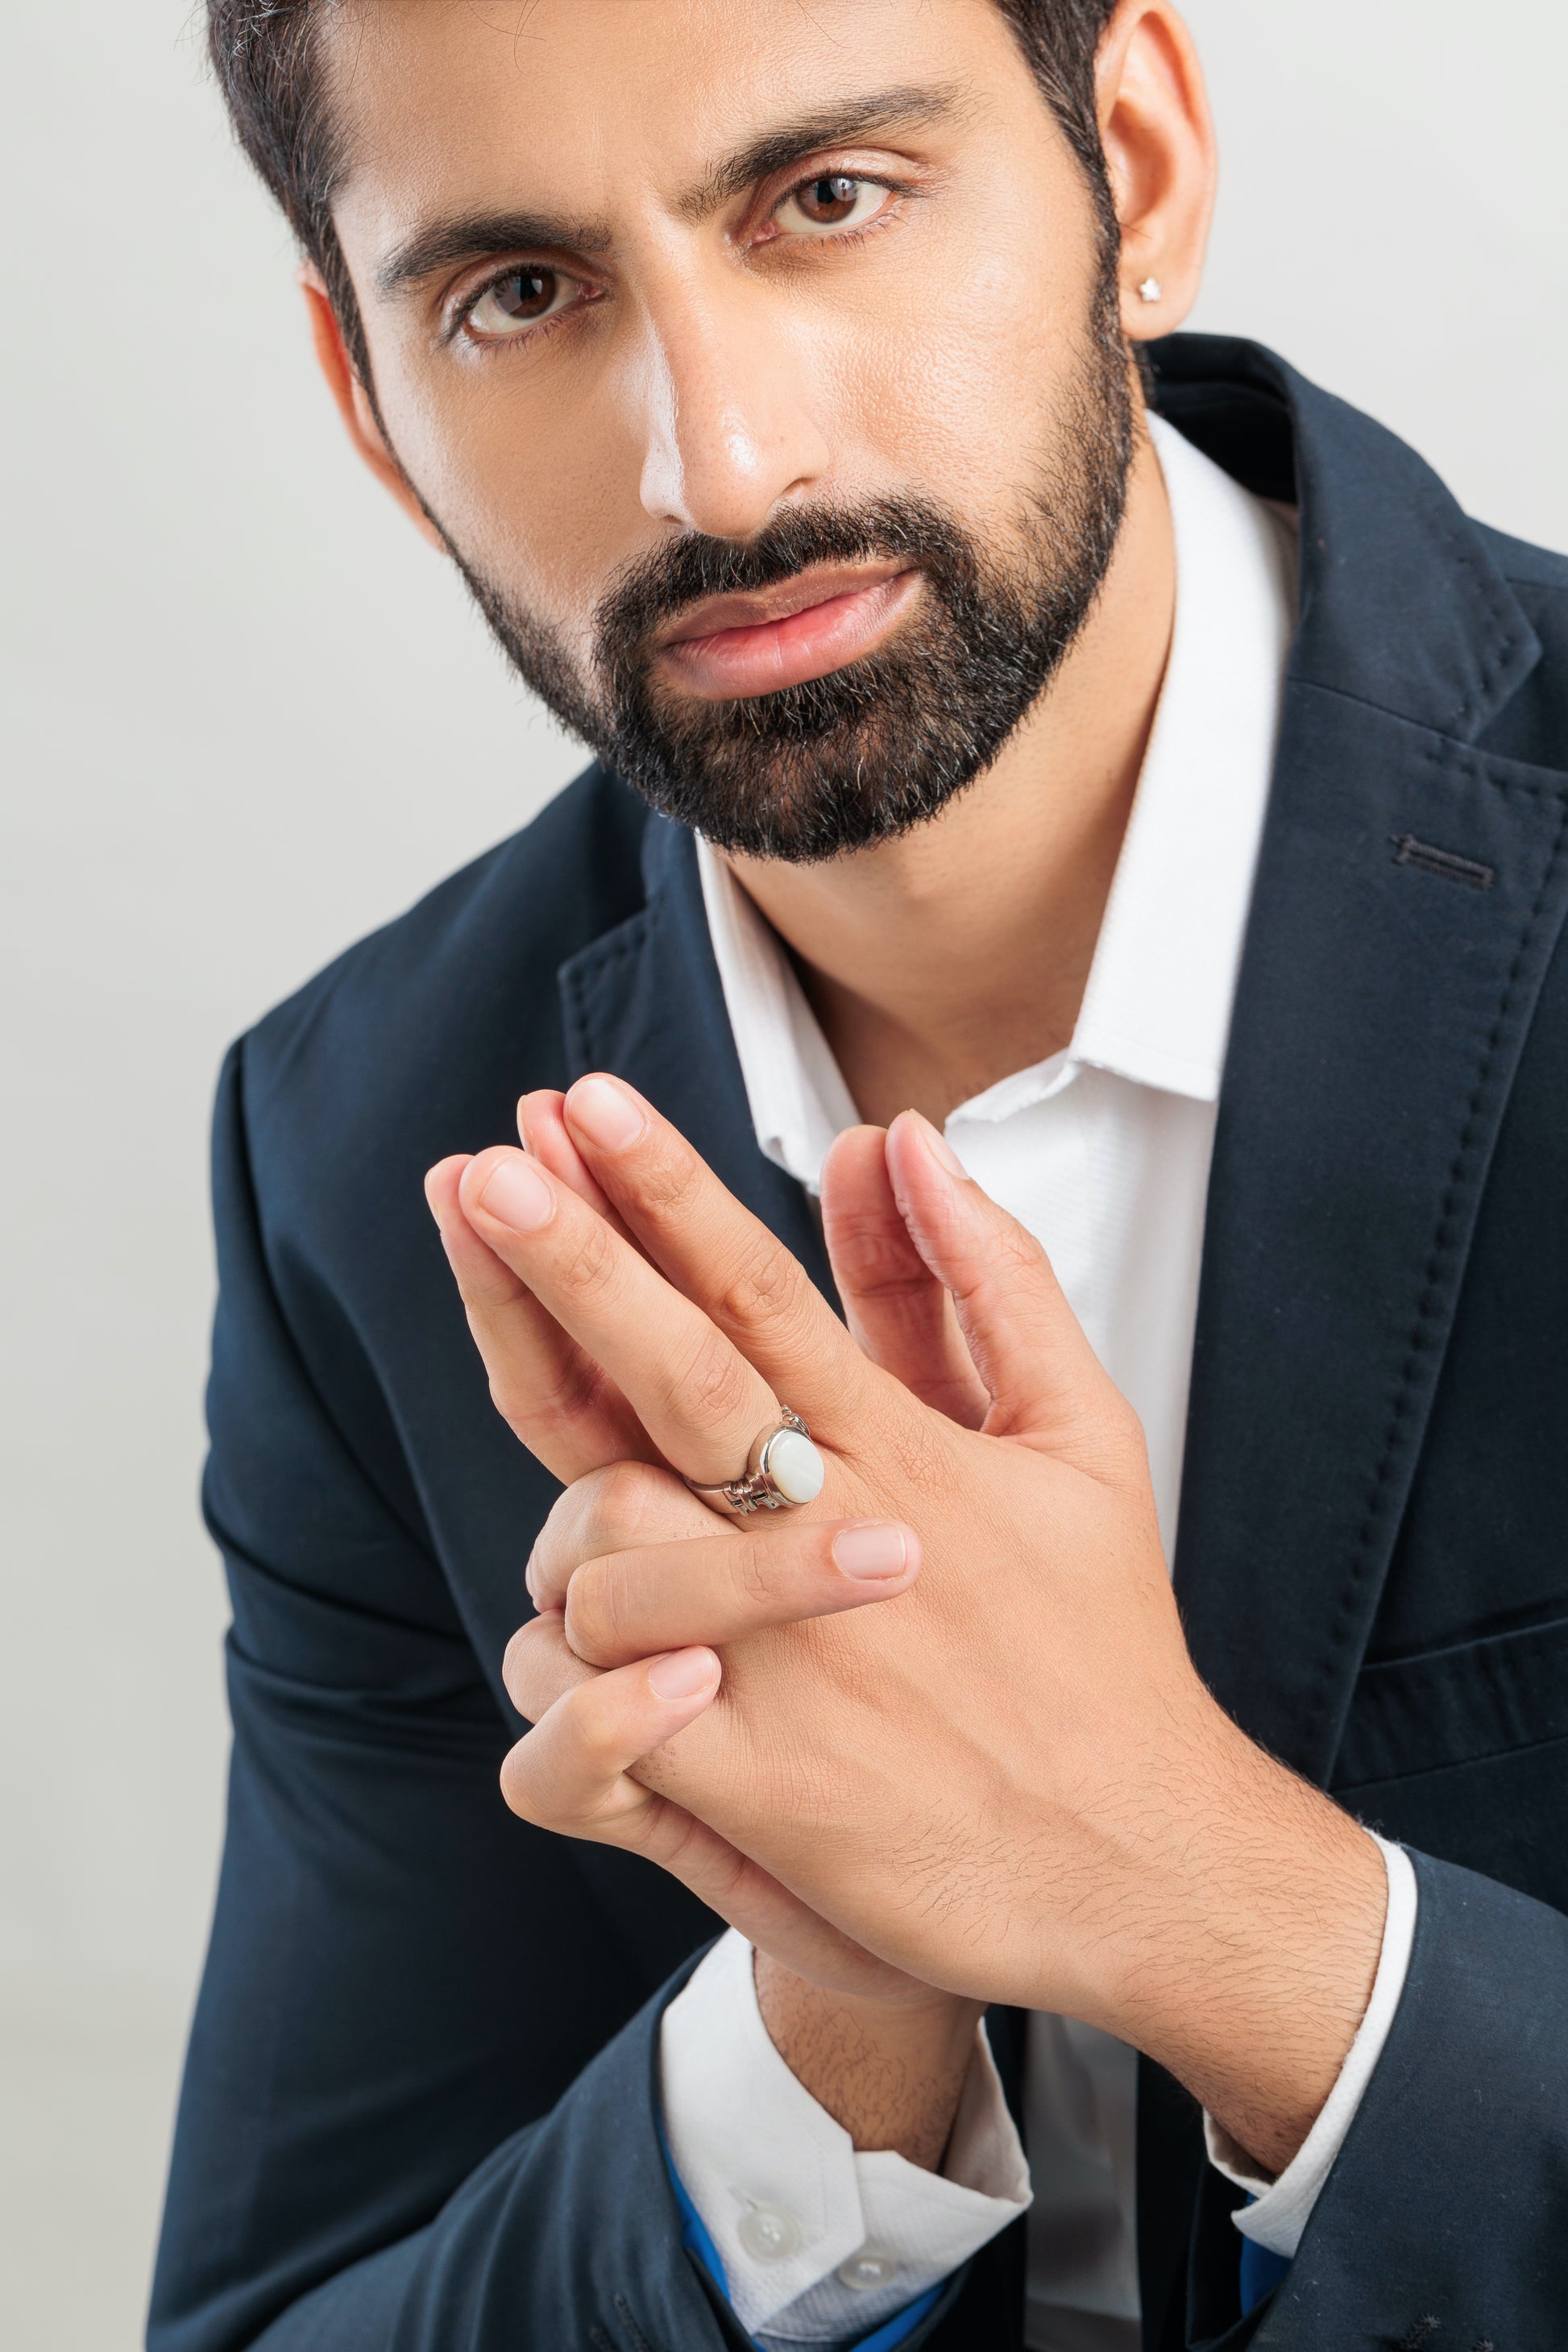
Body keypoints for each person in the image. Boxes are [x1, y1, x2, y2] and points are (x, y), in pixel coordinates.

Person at [150, 2, 1568, 2347]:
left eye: (823, 199)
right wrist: (815, 2055)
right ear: (365, 400)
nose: (713, 460)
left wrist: (1213, 1906)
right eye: (517, 294)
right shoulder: (366, 1146)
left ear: (1133, 158)